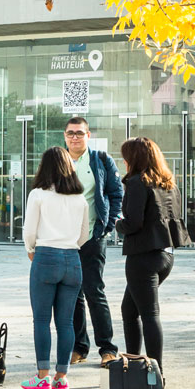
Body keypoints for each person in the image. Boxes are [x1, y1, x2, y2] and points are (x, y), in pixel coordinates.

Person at [116, 137, 189, 375]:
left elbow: (134, 223)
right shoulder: (169, 184)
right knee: (129, 310)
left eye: (126, 156)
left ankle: (155, 373)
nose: (124, 161)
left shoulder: (138, 183)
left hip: (142, 257)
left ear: (134, 158)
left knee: (149, 314)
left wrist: (117, 224)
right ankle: (136, 363)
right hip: (165, 256)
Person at [21, 147, 89, 389]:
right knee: (66, 322)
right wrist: (70, 247)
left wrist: (31, 248)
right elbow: (84, 234)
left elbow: (29, 230)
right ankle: (62, 378)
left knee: (41, 319)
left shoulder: (38, 194)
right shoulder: (80, 199)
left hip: (46, 255)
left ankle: (42, 377)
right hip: (72, 259)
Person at [63, 117, 122, 366]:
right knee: (73, 294)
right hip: (65, 239)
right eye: (70, 133)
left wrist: (107, 226)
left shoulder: (101, 160)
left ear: (88, 135)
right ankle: (79, 347)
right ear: (64, 136)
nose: (74, 137)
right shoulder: (59, 160)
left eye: (79, 133)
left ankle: (107, 348)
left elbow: (115, 193)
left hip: (92, 237)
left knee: (94, 291)